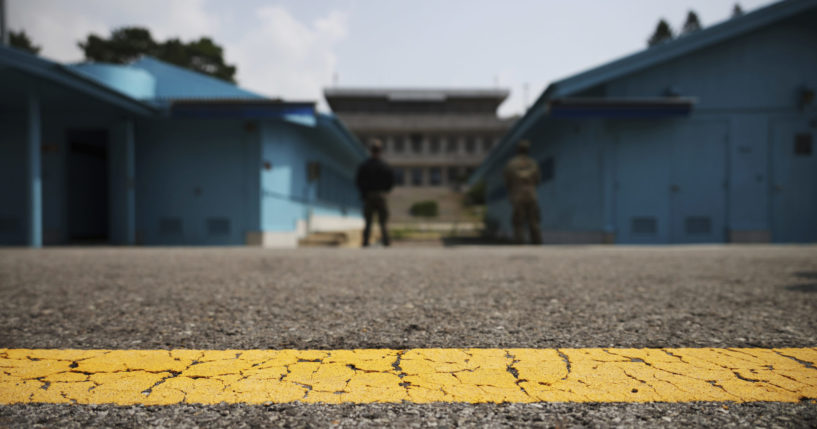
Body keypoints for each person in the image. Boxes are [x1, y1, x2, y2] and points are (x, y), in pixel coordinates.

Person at [355, 139, 395, 247]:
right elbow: (391, 181)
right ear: (380, 151)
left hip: (369, 195)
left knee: (368, 221)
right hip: (381, 195)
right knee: (383, 221)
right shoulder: (385, 166)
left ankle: (365, 241)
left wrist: (363, 193)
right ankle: (386, 241)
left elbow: (358, 181)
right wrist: (385, 191)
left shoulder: (365, 165)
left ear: (370, 150)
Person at [504, 139, 543, 244]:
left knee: (518, 221)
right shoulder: (533, 163)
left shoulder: (511, 164)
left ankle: (519, 243)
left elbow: (507, 181)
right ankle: (537, 243)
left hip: (517, 195)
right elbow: (538, 179)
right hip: (531, 194)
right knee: (534, 220)